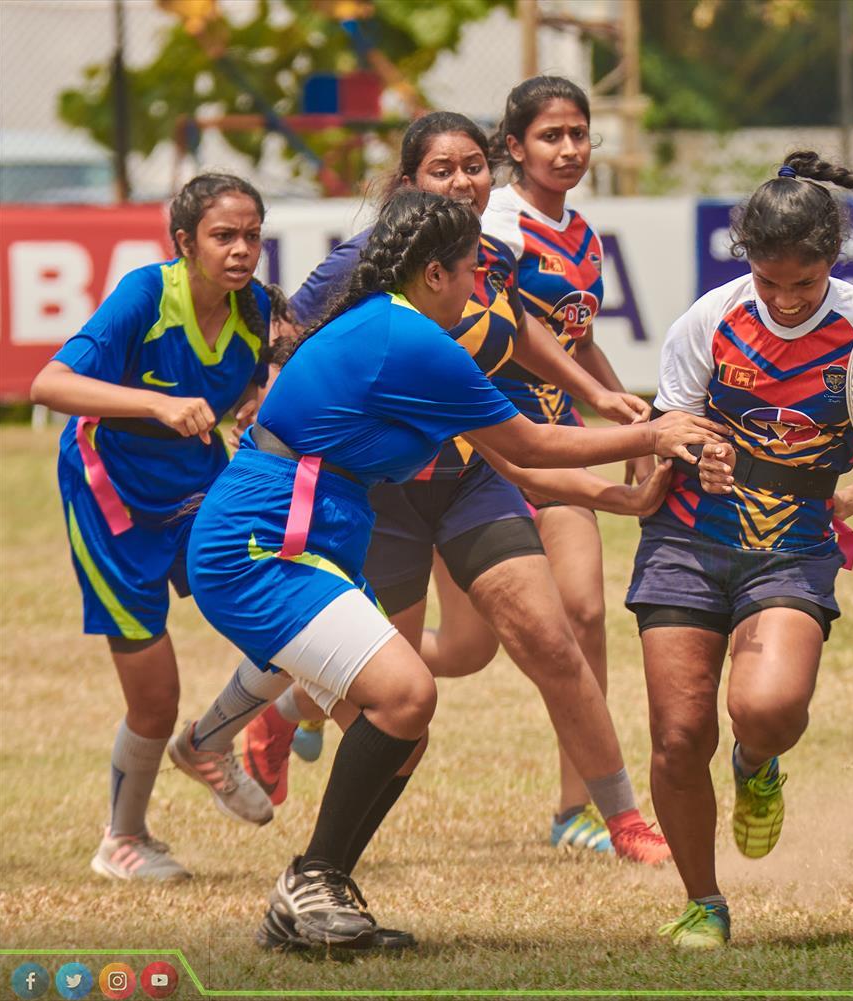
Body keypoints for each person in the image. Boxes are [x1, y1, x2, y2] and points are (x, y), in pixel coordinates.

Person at [183, 188, 723, 950]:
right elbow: (535, 443)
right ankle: (309, 877)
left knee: (403, 727)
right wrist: (657, 429)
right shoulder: (411, 340)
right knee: (407, 694)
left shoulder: (399, 333)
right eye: (473, 271)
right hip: (262, 544)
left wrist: (625, 500)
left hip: (304, 537)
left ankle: (313, 889)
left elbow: (516, 467)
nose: (480, 289)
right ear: (434, 273)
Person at [232, 111, 673, 864]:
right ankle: (291, 744)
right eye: (444, 169)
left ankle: (624, 819)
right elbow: (284, 334)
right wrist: (263, 395)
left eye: (475, 165)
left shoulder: (487, 253)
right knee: (394, 695)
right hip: (385, 497)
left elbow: (519, 324)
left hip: (470, 476)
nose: (465, 181)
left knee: (538, 639)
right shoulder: (363, 263)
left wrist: (594, 392)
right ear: (408, 183)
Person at [639, 151, 853, 949]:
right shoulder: (709, 320)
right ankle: (703, 901)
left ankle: (758, 762)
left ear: (833, 261)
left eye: (805, 282)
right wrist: (689, 454)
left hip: (792, 546)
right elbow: (666, 429)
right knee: (680, 735)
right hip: (687, 535)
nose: (786, 299)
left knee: (769, 708)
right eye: (770, 281)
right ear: (746, 258)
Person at [30, 173, 283, 880]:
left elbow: (257, 379)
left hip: (199, 480)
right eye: (223, 236)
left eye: (253, 235)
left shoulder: (256, 308)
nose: (241, 250)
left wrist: (257, 396)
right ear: (184, 242)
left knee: (288, 615)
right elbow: (49, 385)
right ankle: (122, 840)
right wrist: (154, 404)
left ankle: (209, 741)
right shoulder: (147, 294)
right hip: (112, 494)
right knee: (154, 696)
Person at [483, 76, 655, 851]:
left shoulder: (581, 232)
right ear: (514, 146)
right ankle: (293, 705)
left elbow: (577, 337)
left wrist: (631, 413)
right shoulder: (496, 224)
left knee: (583, 613)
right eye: (551, 136)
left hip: (555, 433)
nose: (570, 149)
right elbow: (511, 330)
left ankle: (574, 808)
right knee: (457, 649)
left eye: (579, 134)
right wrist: (608, 406)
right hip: (480, 441)